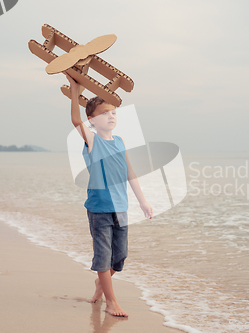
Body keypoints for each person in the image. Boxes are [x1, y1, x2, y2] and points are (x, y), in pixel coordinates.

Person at [65, 72, 153, 317]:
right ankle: (111, 302)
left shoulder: (120, 141)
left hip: (121, 208)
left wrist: (143, 201)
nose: (111, 116)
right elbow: (74, 120)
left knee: (120, 257)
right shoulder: (92, 140)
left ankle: (100, 283)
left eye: (113, 112)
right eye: (105, 113)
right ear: (92, 120)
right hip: (99, 208)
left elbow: (130, 172)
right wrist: (75, 90)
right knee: (103, 257)